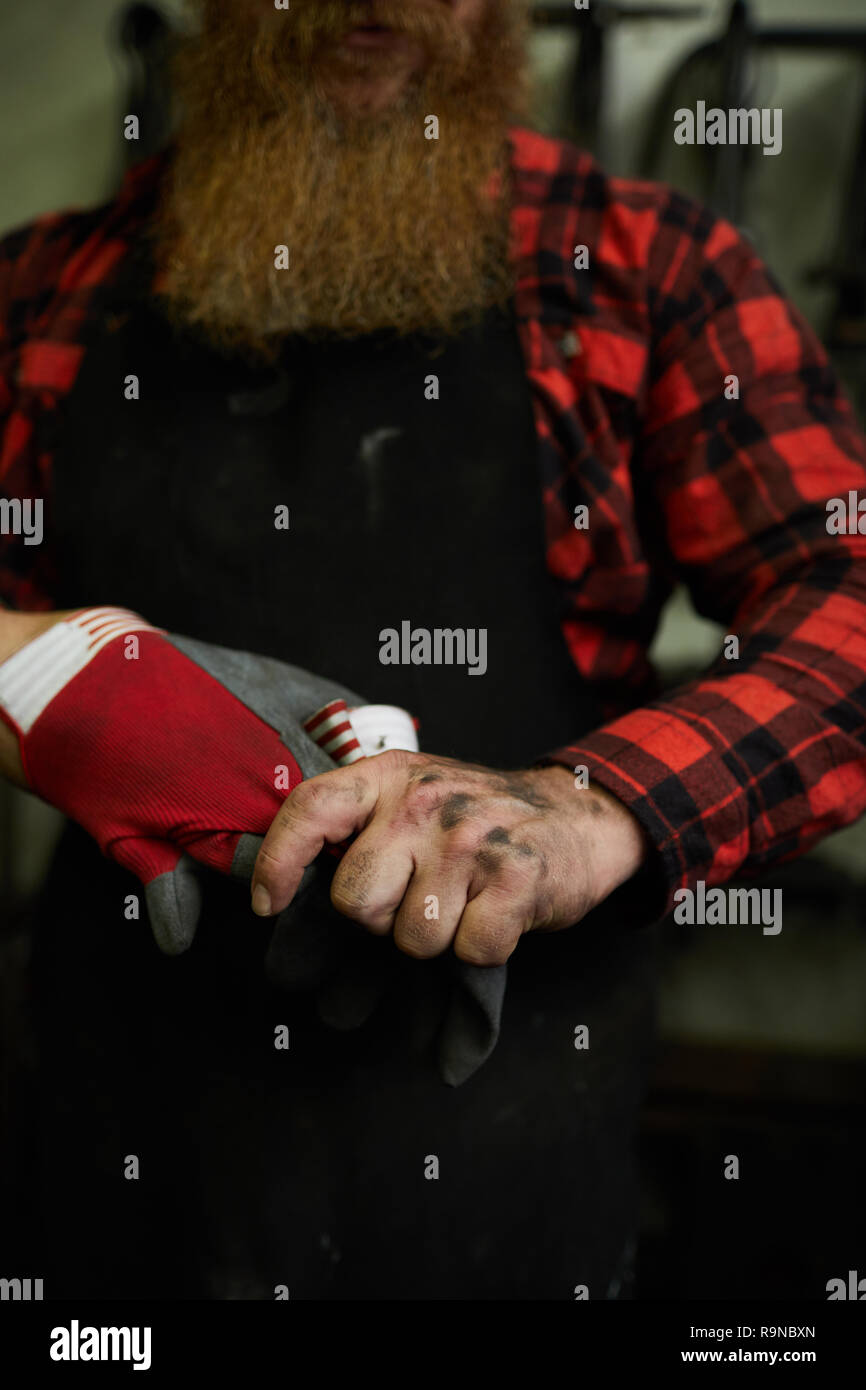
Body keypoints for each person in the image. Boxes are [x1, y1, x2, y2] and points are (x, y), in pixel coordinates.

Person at [0, 0, 864, 1300]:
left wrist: (586, 808)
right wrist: (31, 665)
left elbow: (846, 603)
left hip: (505, 1144)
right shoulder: (40, 293)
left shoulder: (647, 268)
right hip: (120, 1120)